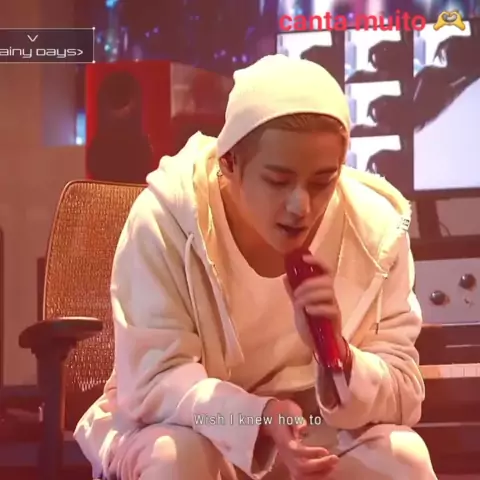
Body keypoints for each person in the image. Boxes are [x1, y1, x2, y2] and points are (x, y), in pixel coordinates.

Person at [75, 54, 437, 479]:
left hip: (316, 430)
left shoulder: (375, 229)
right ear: (229, 163)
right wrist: (256, 417)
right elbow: (154, 382)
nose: (301, 206)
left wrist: (338, 356)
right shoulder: (166, 220)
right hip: (196, 429)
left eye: (323, 181)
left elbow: (404, 393)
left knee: (404, 458)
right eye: (278, 181)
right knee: (175, 457)